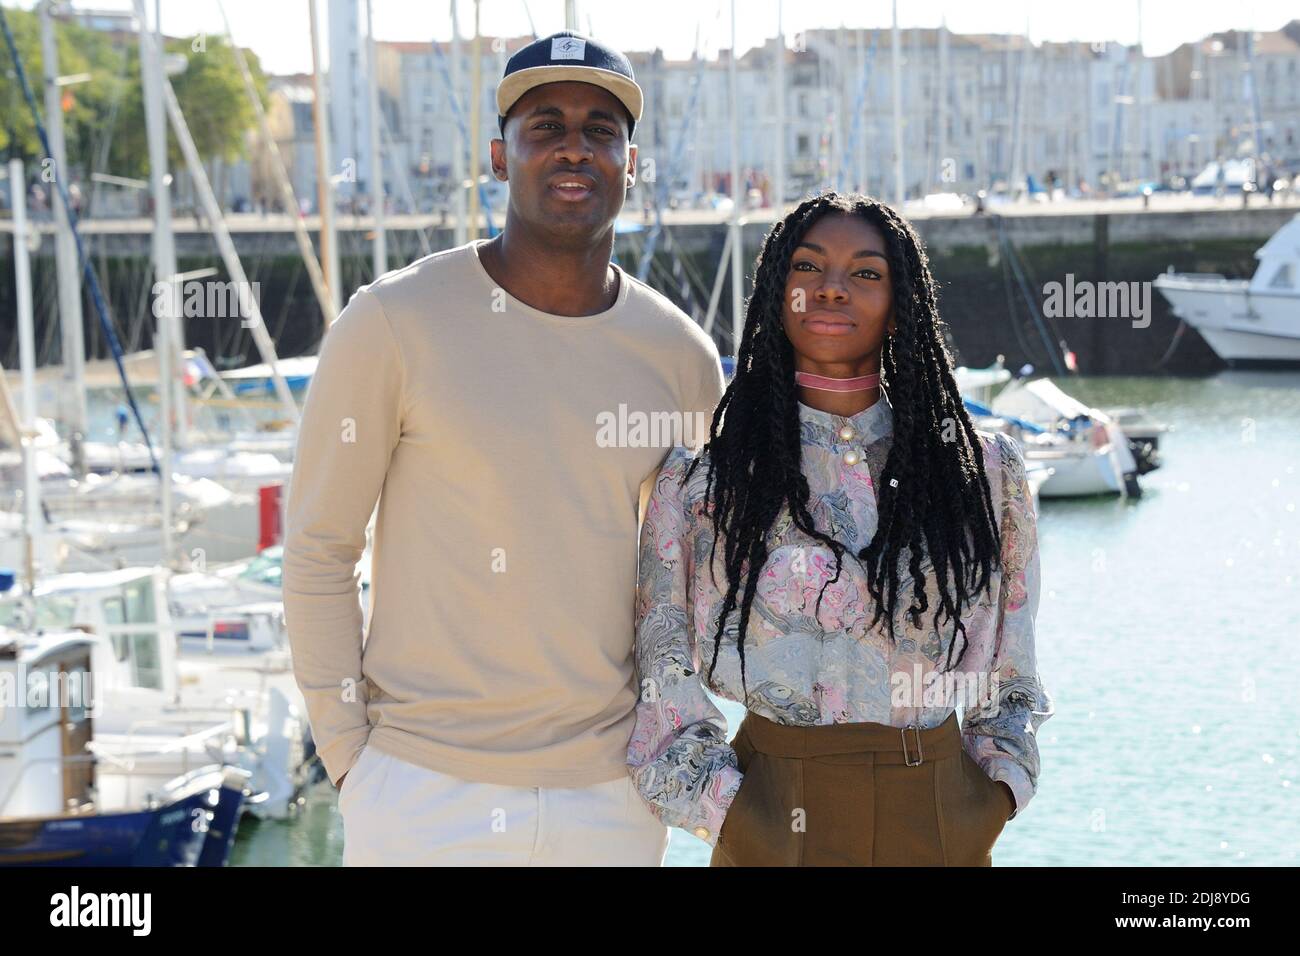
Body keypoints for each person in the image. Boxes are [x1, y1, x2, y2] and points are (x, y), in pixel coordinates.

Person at [283, 30, 724, 866]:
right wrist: (350, 763)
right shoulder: (391, 323)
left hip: (614, 798)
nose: (574, 146)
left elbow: (693, 577)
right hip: (420, 792)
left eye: (601, 129)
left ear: (631, 164)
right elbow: (317, 551)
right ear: (499, 155)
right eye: (545, 124)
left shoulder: (681, 358)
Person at [627, 191, 1054, 866]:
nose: (832, 289)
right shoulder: (701, 485)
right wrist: (734, 815)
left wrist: (990, 799)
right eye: (808, 267)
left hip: (941, 813)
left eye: (865, 273)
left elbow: (1015, 678)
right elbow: (663, 677)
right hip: (771, 810)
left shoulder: (986, 474)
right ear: (777, 291)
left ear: (900, 305)